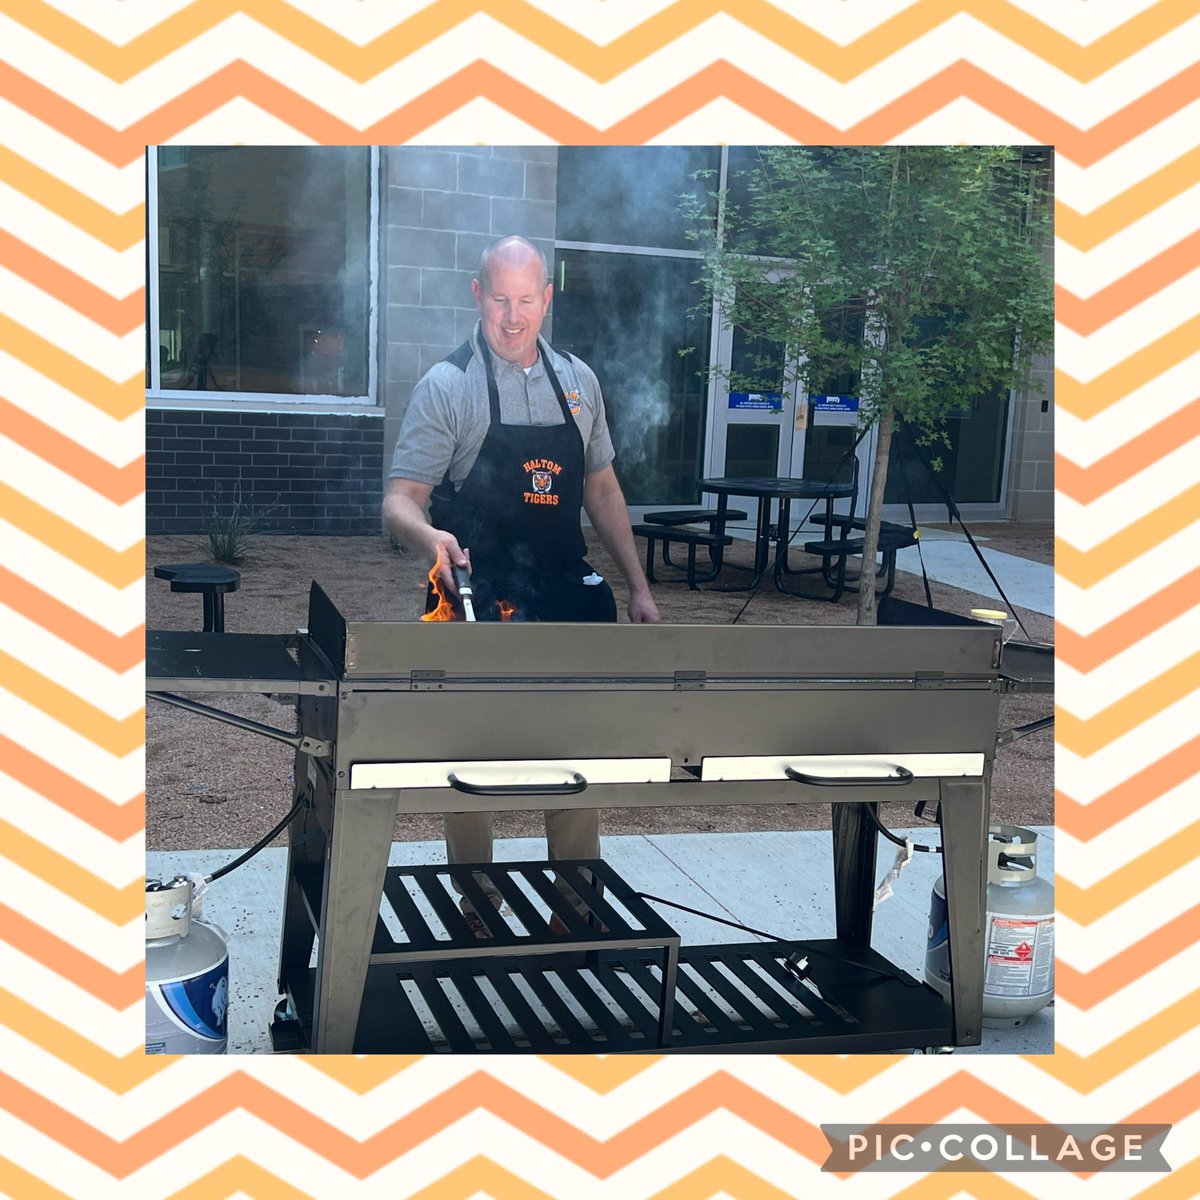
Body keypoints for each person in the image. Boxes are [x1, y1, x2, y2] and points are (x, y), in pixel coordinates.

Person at [383, 234, 660, 937]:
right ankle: (477, 903)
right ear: (478, 296)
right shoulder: (448, 385)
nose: (513, 316)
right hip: (477, 599)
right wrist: (430, 538)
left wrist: (638, 584)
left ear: (547, 299)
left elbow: (601, 487)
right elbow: (400, 500)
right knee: (471, 760)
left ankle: (573, 903)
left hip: (566, 596)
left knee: (573, 754)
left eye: (526, 300)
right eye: (500, 299)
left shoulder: (578, 381)